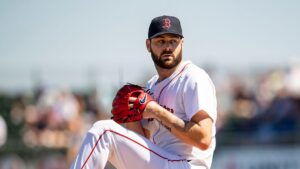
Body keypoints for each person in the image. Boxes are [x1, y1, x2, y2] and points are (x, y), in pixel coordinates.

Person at [70, 15, 217, 169]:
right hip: (162, 162)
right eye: (161, 41)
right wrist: (131, 116)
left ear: (182, 43)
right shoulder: (151, 86)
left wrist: (158, 112)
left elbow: (203, 139)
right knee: (108, 137)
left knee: (104, 131)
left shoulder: (193, 77)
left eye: (173, 41)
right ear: (148, 45)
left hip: (187, 165)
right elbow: (142, 145)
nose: (168, 47)